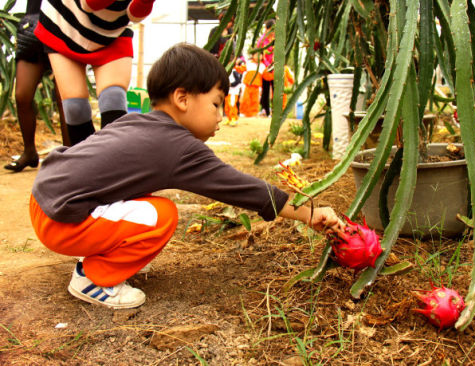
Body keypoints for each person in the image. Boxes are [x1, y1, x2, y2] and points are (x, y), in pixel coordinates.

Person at [29, 43, 344, 309]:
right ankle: (92, 278)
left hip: (46, 198)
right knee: (161, 214)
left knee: (144, 202)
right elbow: (241, 189)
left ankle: (113, 257)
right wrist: (308, 213)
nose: (221, 117)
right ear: (182, 99)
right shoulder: (178, 147)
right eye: (216, 105)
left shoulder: (139, 124)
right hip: (61, 220)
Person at [34, 0, 156, 145]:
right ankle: (86, 163)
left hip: (113, 28)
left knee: (113, 97)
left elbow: (134, 15)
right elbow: (89, 4)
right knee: (75, 107)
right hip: (65, 22)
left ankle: (114, 162)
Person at [4, 0, 69, 173]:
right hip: (33, 27)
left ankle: (71, 154)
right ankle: (29, 151)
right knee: (22, 95)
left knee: (65, 97)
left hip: (62, 24)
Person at [257, 19, 275, 117]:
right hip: (265, 69)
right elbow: (259, 54)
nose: (272, 32)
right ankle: (266, 111)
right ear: (266, 29)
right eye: (271, 30)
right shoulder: (261, 40)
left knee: (276, 90)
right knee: (265, 90)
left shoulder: (276, 39)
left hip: (275, 67)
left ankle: (276, 112)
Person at [240, 51, 265, 117]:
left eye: (260, 55)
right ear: (253, 55)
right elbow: (241, 69)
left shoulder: (263, 66)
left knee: (255, 101)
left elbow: (266, 76)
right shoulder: (249, 63)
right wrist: (235, 66)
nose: (258, 56)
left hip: (257, 86)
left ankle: (253, 114)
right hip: (247, 85)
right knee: (245, 99)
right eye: (256, 55)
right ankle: (243, 113)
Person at [223, 60, 244, 126]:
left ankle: (234, 118)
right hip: (229, 91)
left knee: (232, 104)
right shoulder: (227, 72)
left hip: (233, 92)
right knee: (227, 105)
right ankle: (229, 118)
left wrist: (230, 84)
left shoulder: (234, 71)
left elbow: (238, 81)